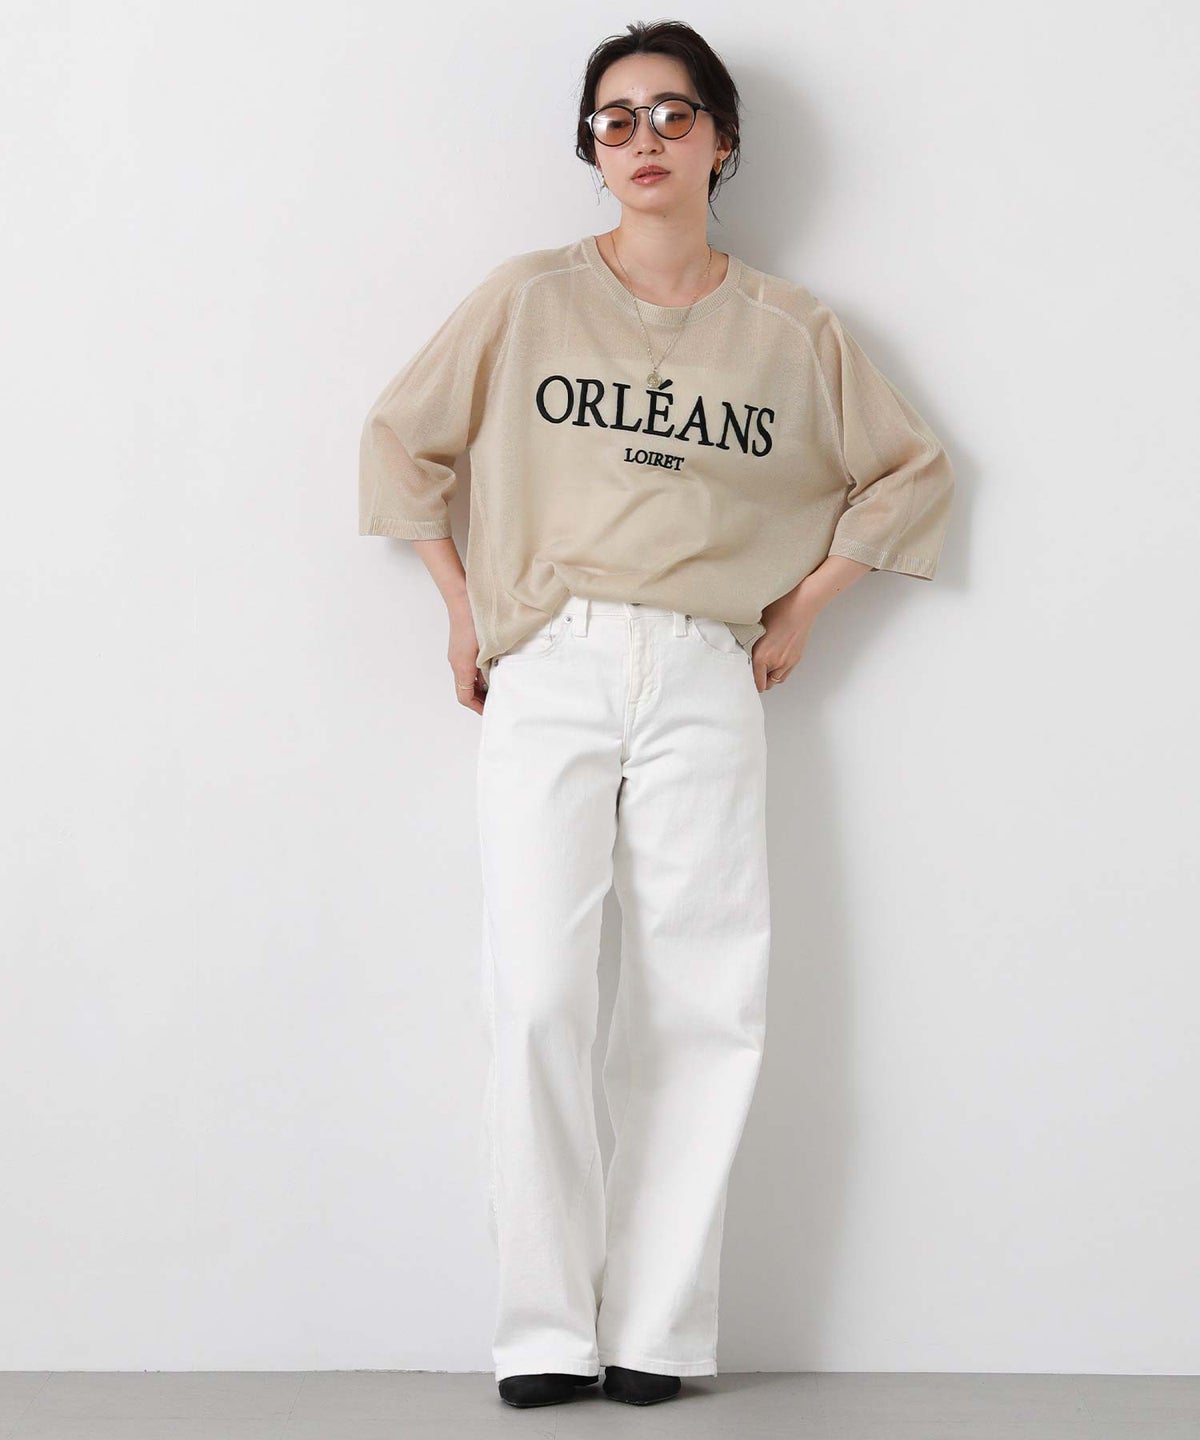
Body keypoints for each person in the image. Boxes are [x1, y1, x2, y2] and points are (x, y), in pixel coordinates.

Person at [358, 20, 955, 1412]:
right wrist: (460, 605)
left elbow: (911, 472)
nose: (644, 140)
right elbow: (401, 440)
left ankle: (658, 1331)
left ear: (721, 141)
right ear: (591, 146)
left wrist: (803, 609)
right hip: (551, 661)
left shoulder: (792, 332)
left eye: (673, 115)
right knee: (538, 995)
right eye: (616, 119)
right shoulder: (526, 299)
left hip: (702, 668)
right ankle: (542, 1329)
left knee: (703, 998)